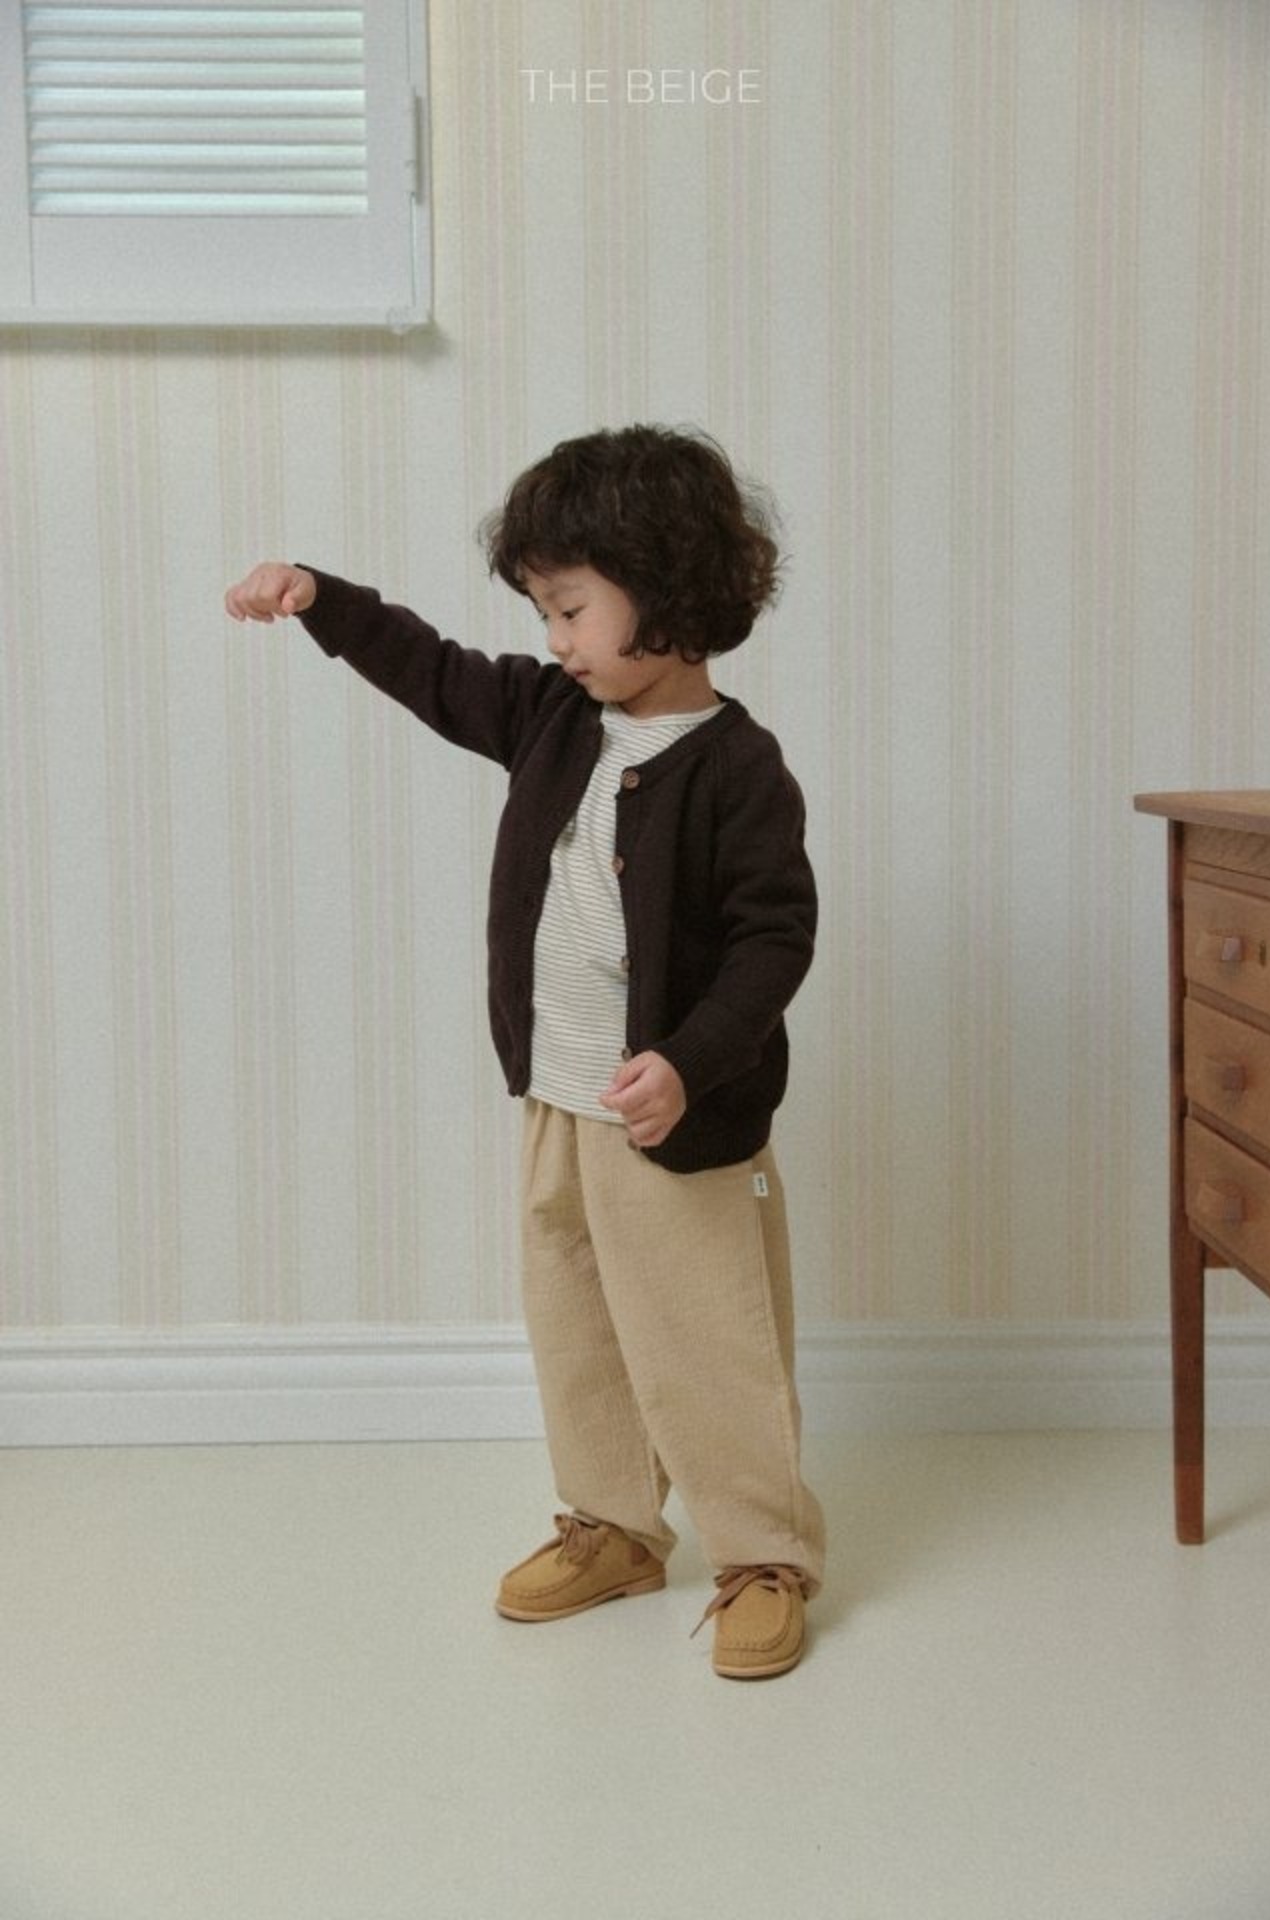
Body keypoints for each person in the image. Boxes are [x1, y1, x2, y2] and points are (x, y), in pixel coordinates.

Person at [224, 423, 826, 1679]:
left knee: (704, 1338)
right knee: (577, 1326)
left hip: (671, 1116)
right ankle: (613, 1524)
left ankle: (762, 1554)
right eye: (543, 613)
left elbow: (772, 942)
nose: (553, 639)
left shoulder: (736, 768)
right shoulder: (552, 715)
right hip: (558, 1096)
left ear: (664, 592)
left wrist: (689, 1063)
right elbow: (432, 671)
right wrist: (323, 599)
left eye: (570, 609)